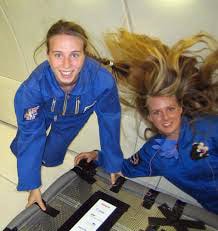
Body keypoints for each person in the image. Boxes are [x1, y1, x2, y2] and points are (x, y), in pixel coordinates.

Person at [75, 30, 218, 214]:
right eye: (157, 112)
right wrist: (97, 155)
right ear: (148, 116)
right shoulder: (154, 152)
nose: (165, 117)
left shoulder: (208, 127)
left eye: (170, 109)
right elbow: (125, 167)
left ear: (180, 107)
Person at [10, 20, 123, 210]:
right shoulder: (31, 89)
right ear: (48, 56)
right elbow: (31, 134)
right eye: (58, 55)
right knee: (25, 145)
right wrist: (33, 186)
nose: (67, 65)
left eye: (75, 55)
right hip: (43, 110)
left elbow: (110, 122)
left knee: (50, 158)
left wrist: (113, 164)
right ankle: (24, 161)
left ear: (84, 55)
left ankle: (43, 158)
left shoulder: (102, 81)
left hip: (74, 116)